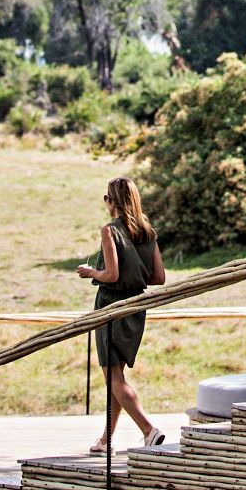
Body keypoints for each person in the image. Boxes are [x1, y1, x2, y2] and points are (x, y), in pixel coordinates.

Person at [75, 176, 168, 453]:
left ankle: (148, 430)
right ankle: (106, 440)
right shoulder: (147, 232)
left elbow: (111, 274)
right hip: (135, 308)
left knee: (113, 377)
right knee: (116, 377)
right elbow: (159, 277)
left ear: (111, 201)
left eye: (106, 198)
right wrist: (133, 277)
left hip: (111, 307)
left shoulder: (110, 231)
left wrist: (90, 272)